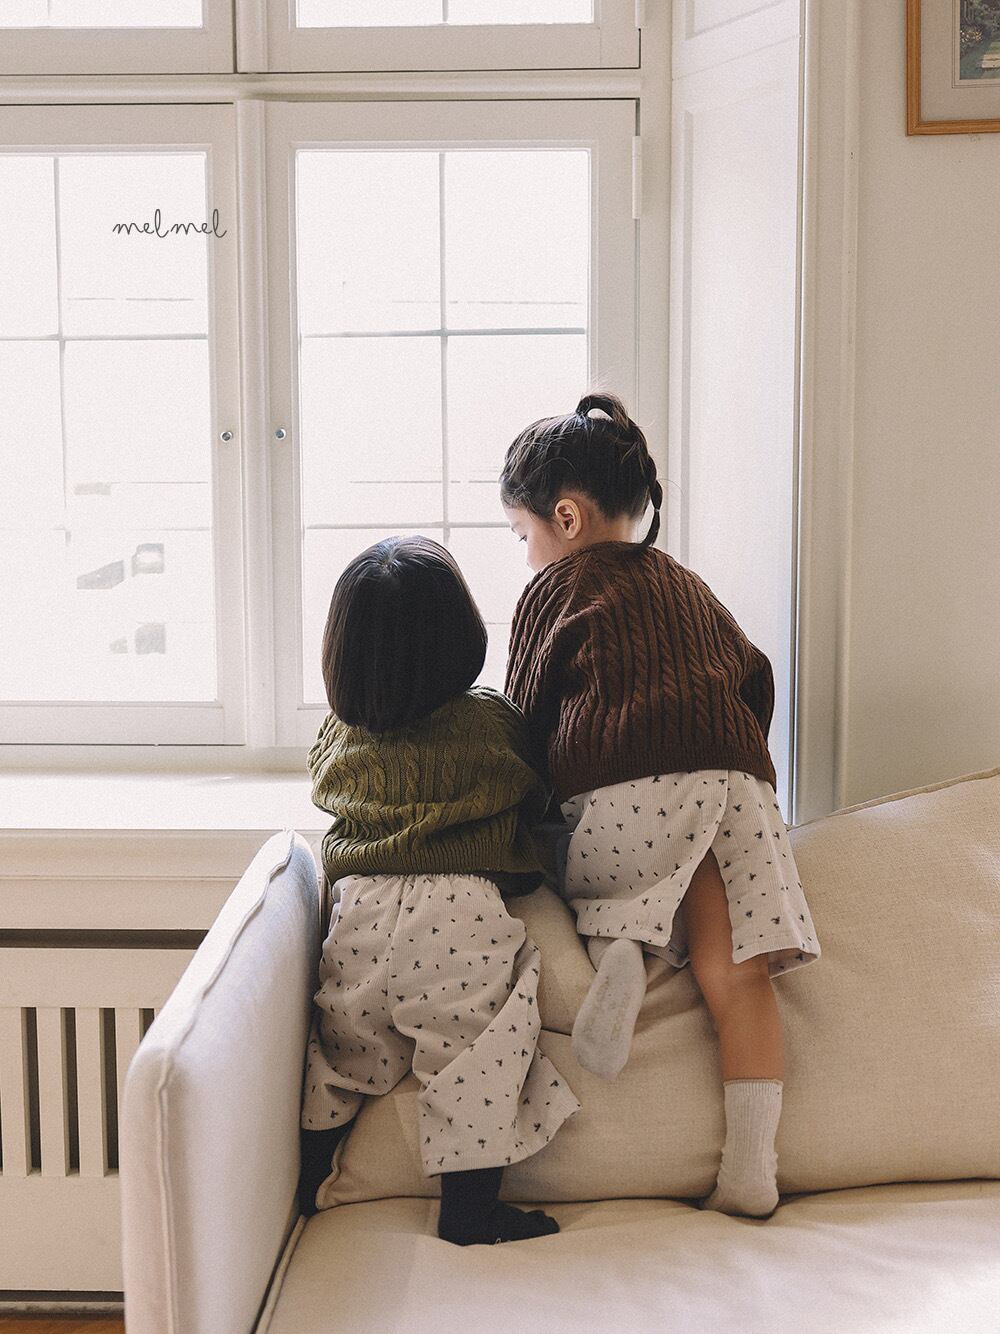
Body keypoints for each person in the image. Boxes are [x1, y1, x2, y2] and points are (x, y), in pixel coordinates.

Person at [500, 392, 820, 1218]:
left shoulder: (554, 591)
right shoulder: (688, 583)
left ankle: (623, 946)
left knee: (581, 856)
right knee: (738, 976)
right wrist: (727, 755)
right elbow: (754, 676)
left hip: (624, 788)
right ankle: (751, 1170)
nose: (527, 556)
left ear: (564, 518)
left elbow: (522, 720)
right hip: (735, 783)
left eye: (522, 535)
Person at [299, 535, 579, 1244]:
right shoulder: (491, 721)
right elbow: (535, 792)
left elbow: (323, 786)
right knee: (478, 1056)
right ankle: (469, 1210)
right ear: (461, 634)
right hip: (459, 909)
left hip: (359, 911)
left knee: (342, 1052)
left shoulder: (338, 733)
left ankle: (306, 1181)